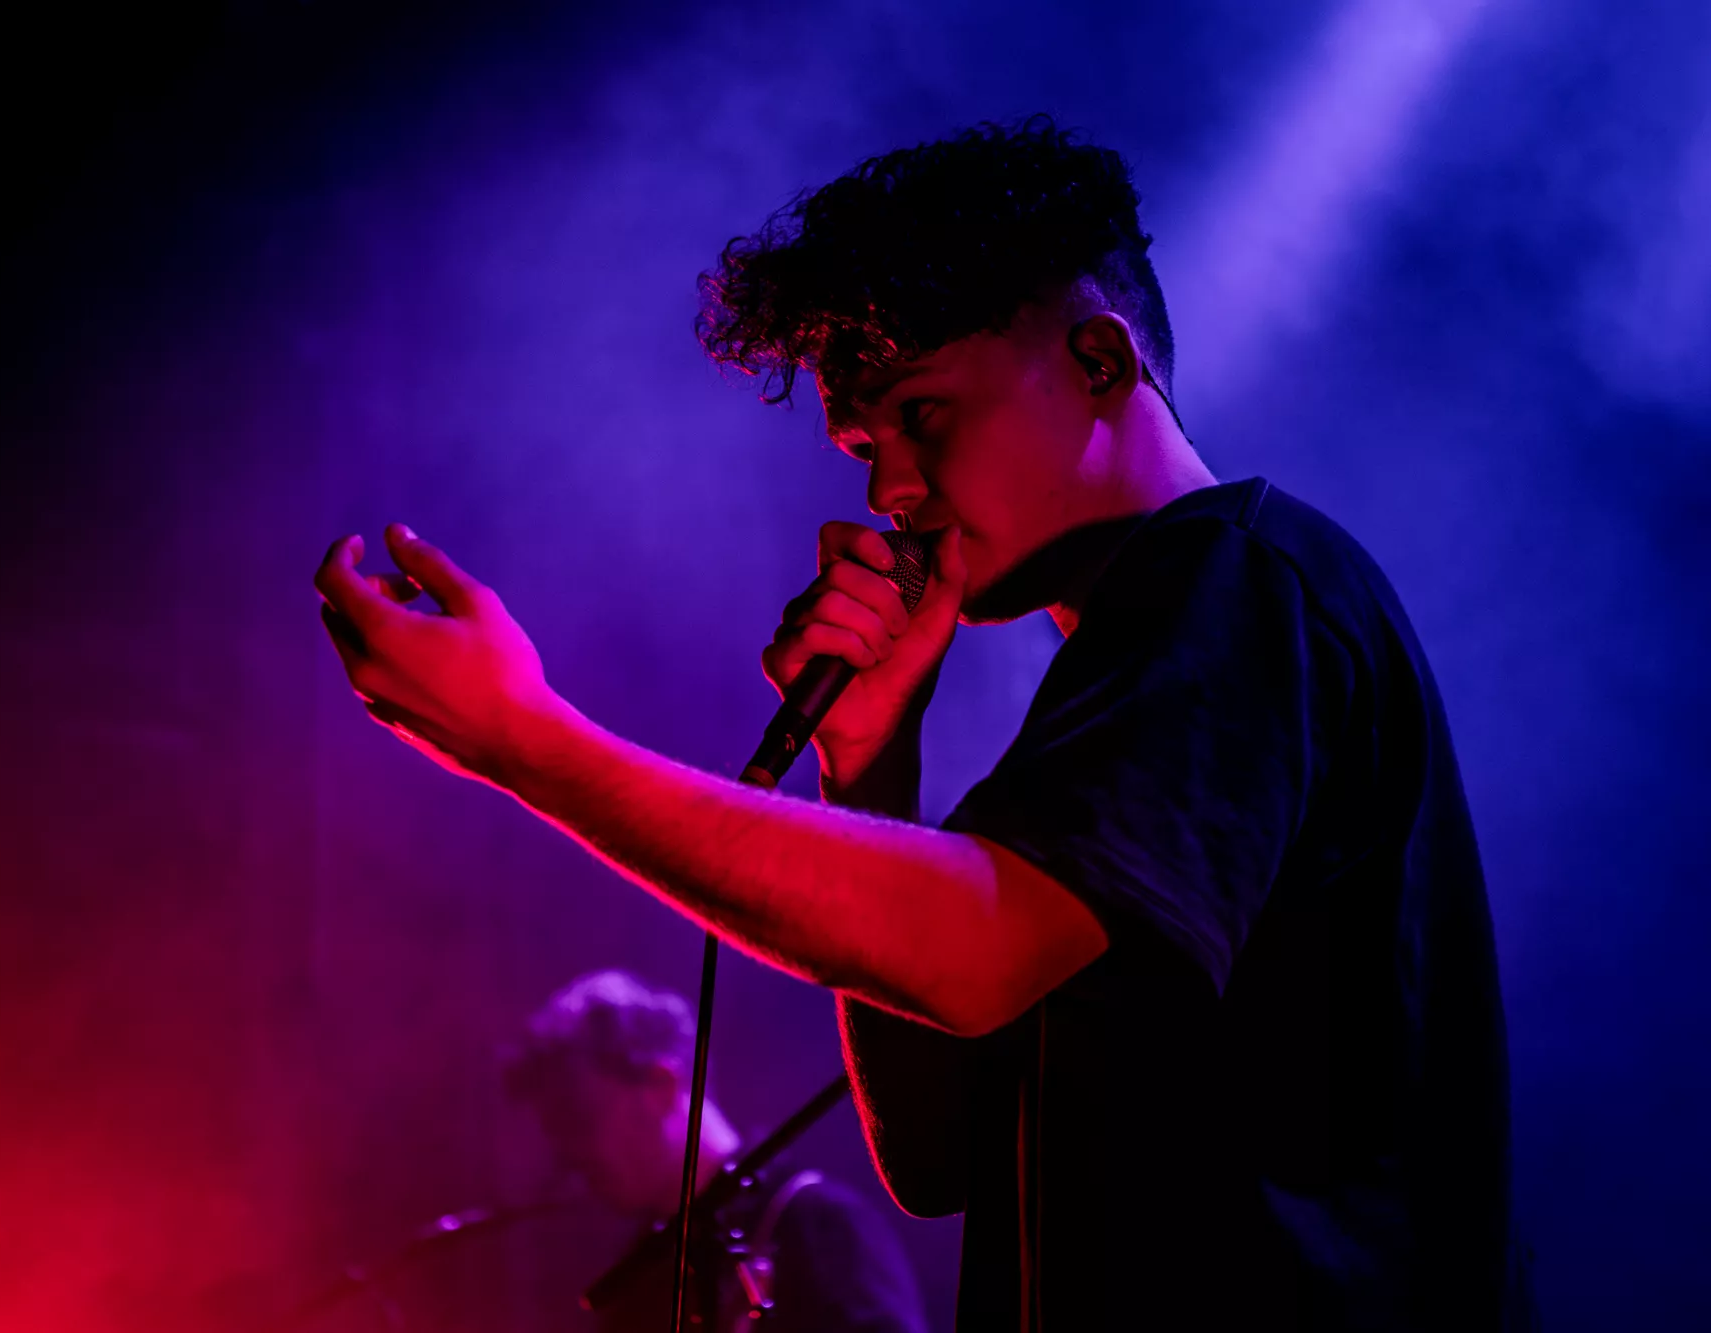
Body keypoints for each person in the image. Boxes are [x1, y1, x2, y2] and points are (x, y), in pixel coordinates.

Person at [314, 117, 1531, 1329]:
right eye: (863, 444)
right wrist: (868, 764)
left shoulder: (1240, 575)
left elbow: (977, 950)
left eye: (925, 416)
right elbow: (938, 1151)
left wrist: (528, 739)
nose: (888, 489)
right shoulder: (1116, 688)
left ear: (1098, 361)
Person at [504, 970, 927, 1332]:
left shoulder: (815, 1224)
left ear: (661, 1086)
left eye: (578, 1118)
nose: (569, 1154)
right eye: (556, 1132)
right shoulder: (643, 1272)